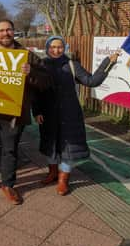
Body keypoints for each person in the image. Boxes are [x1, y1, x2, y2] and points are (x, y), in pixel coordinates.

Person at [0, 20, 51, 205]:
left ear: (14, 32)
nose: (5, 33)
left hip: (13, 113)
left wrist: (31, 74)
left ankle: (8, 185)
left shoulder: (27, 56)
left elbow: (46, 81)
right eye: (1, 30)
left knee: (10, 150)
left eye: (9, 30)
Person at [33, 36, 118, 195]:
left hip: (69, 114)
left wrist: (108, 62)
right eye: (52, 47)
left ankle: (63, 179)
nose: (56, 50)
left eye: (59, 47)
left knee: (68, 148)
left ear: (64, 48)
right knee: (50, 145)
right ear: (47, 48)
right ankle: (52, 173)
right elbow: (36, 92)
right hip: (48, 114)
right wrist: (36, 111)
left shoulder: (72, 65)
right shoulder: (41, 65)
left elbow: (92, 81)